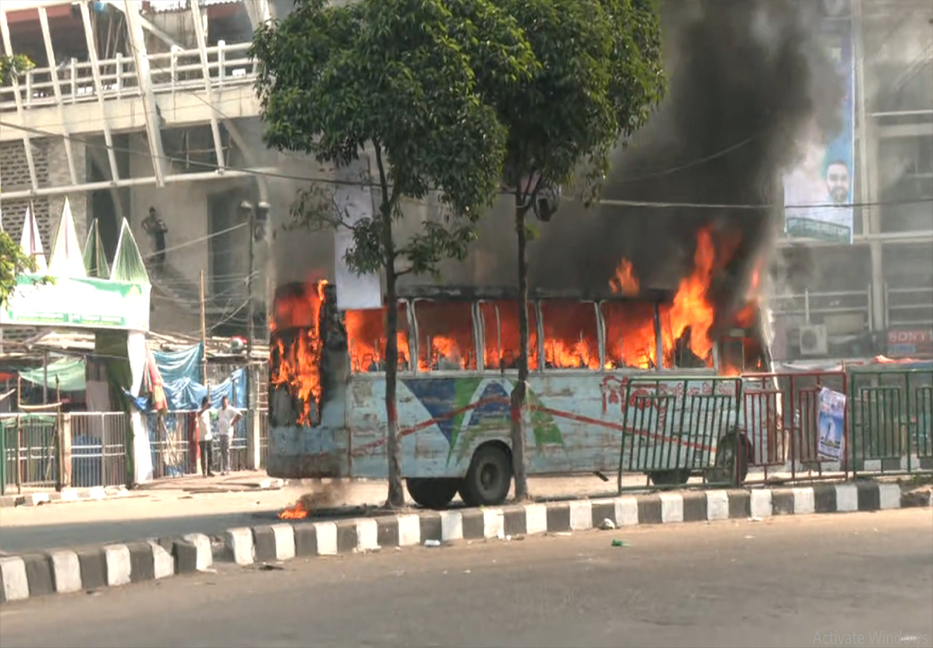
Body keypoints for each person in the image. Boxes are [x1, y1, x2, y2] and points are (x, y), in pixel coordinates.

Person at [216, 395, 243, 475]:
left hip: (228, 432)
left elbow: (239, 414)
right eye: (222, 402)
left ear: (227, 402)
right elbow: (218, 417)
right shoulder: (220, 410)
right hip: (221, 432)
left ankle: (227, 468)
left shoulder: (230, 409)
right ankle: (223, 468)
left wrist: (233, 422)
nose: (223, 403)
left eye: (225, 402)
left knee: (226, 449)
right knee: (222, 450)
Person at [142, 207, 168, 273]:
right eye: (152, 212)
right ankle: (151, 257)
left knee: (155, 247)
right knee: (150, 245)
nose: (153, 213)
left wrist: (159, 228)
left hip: (155, 235)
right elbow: (143, 223)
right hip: (150, 234)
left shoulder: (156, 220)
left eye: (154, 212)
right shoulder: (148, 219)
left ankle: (153, 258)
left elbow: (165, 229)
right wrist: (146, 228)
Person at [197, 396, 214, 477]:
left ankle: (209, 470)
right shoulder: (200, 411)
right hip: (202, 437)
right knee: (204, 456)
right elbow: (198, 414)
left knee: (211, 454)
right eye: (208, 402)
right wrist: (205, 408)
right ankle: (204, 472)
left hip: (209, 436)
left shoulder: (208, 412)